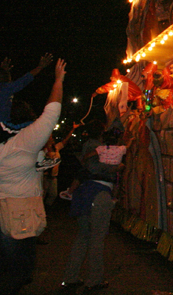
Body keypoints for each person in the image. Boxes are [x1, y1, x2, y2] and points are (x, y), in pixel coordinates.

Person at [0, 58, 65, 295]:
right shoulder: (22, 143)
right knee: (19, 271)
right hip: (16, 211)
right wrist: (58, 80)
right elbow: (51, 113)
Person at [60, 120, 123, 292]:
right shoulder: (97, 148)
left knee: (83, 236)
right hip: (98, 193)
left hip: (86, 193)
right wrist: (115, 168)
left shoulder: (91, 146)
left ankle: (71, 277)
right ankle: (94, 280)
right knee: (96, 238)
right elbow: (93, 167)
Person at [0, 53, 53, 129]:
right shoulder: (6, 88)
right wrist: (40, 67)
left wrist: (4, 71)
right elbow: (25, 79)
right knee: (27, 126)